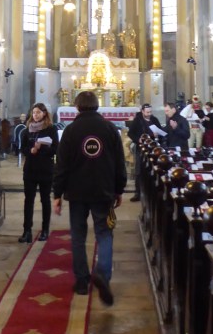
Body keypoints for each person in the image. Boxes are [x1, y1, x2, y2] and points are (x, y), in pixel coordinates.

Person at [52, 90, 127, 305]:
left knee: (77, 236)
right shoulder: (110, 129)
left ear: (77, 107)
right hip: (103, 190)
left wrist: (57, 193)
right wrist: (119, 188)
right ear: (97, 105)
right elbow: (119, 162)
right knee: (104, 233)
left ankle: (82, 281)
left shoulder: (71, 130)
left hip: (76, 191)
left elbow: (62, 165)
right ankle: (103, 274)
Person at [18, 102, 59, 243]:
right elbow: (22, 148)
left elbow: (55, 149)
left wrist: (42, 148)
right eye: (34, 113)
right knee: (28, 201)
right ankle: (26, 231)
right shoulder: (27, 130)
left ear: (44, 114)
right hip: (30, 169)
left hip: (45, 169)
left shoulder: (51, 130)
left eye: (38, 113)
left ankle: (45, 230)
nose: (35, 115)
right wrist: (30, 151)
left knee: (44, 200)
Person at [126, 102, 159, 201]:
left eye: (150, 112)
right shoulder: (137, 120)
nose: (149, 114)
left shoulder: (154, 119)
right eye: (147, 112)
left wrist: (156, 134)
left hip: (152, 148)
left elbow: (160, 130)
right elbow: (130, 133)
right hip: (140, 148)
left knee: (152, 170)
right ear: (143, 111)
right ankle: (137, 193)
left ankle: (151, 193)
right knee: (139, 171)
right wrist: (138, 139)